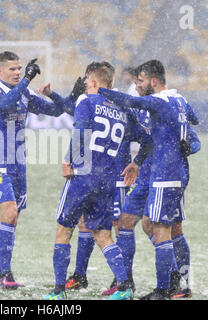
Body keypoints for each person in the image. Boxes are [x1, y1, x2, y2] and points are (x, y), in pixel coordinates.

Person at [43, 62, 153, 300]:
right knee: (103, 234)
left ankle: (58, 291)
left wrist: (67, 160)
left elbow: (80, 130)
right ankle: (124, 287)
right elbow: (148, 140)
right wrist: (136, 163)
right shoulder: (123, 110)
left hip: (83, 176)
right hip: (108, 181)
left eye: (85, 81)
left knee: (64, 230)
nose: (84, 85)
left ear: (92, 82)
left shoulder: (87, 101)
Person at [98, 59, 199, 299]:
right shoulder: (168, 102)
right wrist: (137, 162)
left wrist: (98, 89)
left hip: (167, 174)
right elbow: (186, 120)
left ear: (152, 82)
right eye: (135, 82)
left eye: (140, 81)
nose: (137, 85)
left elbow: (193, 136)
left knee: (169, 229)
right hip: (147, 175)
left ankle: (174, 283)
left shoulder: (157, 102)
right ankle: (126, 281)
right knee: (126, 221)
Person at [0, 51, 65, 289]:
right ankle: (3, 274)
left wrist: (56, 95)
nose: (18, 72)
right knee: (9, 213)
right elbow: (6, 104)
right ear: (0, 71)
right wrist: (27, 80)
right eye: (12, 69)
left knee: (13, 219)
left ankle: (2, 271)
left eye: (20, 69)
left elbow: (57, 111)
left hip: (18, 165)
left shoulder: (25, 93)